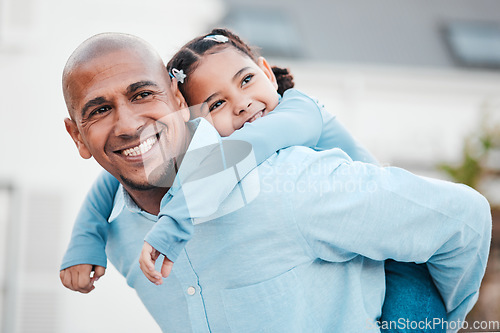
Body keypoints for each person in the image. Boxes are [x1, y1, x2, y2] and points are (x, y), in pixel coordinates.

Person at [61, 32, 491, 332]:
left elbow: (464, 219)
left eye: (142, 95)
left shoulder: (288, 151)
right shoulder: (121, 232)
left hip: (400, 266)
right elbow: (110, 186)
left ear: (176, 104)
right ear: (78, 136)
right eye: (98, 110)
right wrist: (84, 242)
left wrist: (436, 319)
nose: (244, 105)